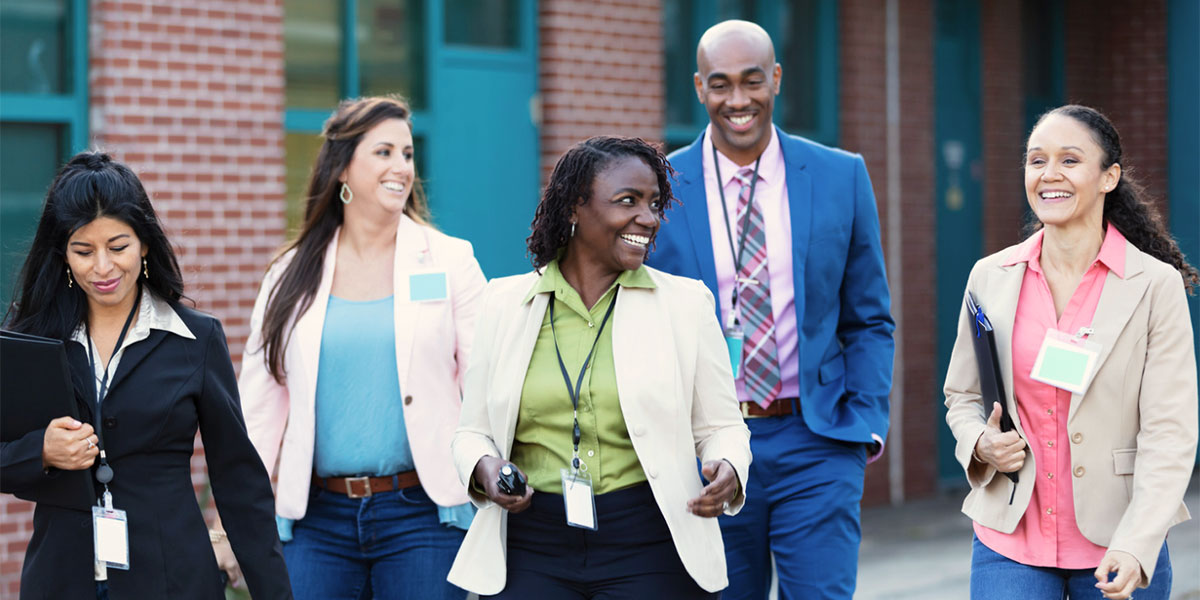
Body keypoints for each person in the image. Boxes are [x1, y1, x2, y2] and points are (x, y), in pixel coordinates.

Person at [644, 20, 895, 599]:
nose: (738, 101)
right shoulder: (660, 185)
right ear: (699, 87)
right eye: (721, 84)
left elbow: (869, 318)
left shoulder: (840, 176)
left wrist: (864, 425)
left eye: (752, 82)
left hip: (816, 437)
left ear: (776, 79)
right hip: (704, 449)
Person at [447, 136, 752, 598]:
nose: (647, 219)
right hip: (532, 543)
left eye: (653, 203)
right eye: (627, 201)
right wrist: (486, 469)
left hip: (649, 540)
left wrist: (727, 464)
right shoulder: (504, 303)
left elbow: (722, 426)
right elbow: (472, 432)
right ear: (574, 208)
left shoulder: (686, 305)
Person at [221, 96, 486, 600]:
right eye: (383, 152)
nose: (401, 168)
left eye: (408, 154)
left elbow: (483, 388)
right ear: (342, 167)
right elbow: (255, 414)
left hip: (424, 516)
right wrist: (229, 523)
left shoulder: (451, 262)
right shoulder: (288, 275)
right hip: (317, 519)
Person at [0, 152, 291, 599]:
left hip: (171, 579)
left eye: (118, 247)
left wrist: (274, 592)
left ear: (145, 244)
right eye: (83, 250)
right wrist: (38, 451)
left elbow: (239, 479)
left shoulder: (196, 339)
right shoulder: (31, 333)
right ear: (62, 254)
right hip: (61, 580)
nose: (102, 267)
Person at [944, 104, 1199, 600]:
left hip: (1118, 541)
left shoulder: (1154, 286)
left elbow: (1170, 431)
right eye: (1036, 160)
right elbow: (962, 395)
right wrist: (980, 442)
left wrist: (1137, 541)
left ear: (1109, 177)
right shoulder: (988, 277)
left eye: (1069, 160)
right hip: (1010, 537)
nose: (1049, 175)